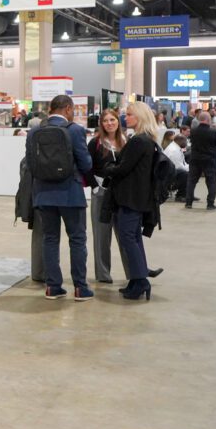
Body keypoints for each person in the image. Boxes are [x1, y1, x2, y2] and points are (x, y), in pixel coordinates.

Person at [25, 95, 93, 301]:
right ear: (68, 109)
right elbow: (87, 164)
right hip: (70, 193)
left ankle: (53, 287)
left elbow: (30, 163)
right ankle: (80, 288)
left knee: (50, 239)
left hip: (43, 194)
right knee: (77, 240)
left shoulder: (34, 132)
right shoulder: (75, 131)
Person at [104, 102, 160, 301]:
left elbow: (123, 169)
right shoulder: (147, 140)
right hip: (137, 196)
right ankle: (137, 280)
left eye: (129, 115)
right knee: (133, 238)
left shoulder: (138, 141)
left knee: (128, 238)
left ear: (139, 117)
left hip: (130, 197)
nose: (125, 118)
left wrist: (108, 168)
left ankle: (141, 281)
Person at [86, 109, 128, 285]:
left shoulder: (126, 142)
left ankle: (134, 273)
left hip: (121, 194)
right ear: (101, 124)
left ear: (118, 121)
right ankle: (103, 275)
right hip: (101, 193)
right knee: (101, 236)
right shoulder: (95, 143)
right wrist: (95, 187)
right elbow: (86, 167)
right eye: (106, 121)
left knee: (125, 234)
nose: (109, 123)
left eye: (113, 119)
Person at [186, 111, 216, 210]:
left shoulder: (193, 131)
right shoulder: (213, 131)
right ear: (208, 119)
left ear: (199, 119)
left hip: (195, 158)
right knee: (211, 181)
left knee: (191, 181)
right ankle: (210, 204)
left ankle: (188, 202)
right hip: (209, 159)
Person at [164, 134, 190, 202]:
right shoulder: (174, 150)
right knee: (185, 174)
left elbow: (183, 163)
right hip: (168, 175)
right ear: (180, 141)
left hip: (171, 171)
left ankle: (189, 194)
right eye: (185, 142)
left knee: (189, 172)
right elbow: (178, 167)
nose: (186, 144)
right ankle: (181, 195)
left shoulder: (176, 147)